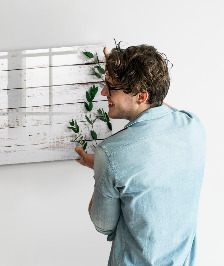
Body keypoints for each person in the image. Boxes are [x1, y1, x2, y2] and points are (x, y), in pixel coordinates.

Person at [75, 44, 205, 265]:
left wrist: (103, 169)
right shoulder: (193, 125)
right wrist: (124, 74)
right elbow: (158, 106)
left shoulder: (110, 153)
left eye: (111, 87)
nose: (104, 92)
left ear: (141, 96)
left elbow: (103, 225)